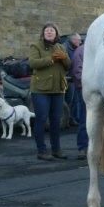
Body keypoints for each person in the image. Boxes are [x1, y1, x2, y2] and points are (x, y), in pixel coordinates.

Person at [29, 23, 71, 160]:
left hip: (58, 89)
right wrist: (51, 59)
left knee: (56, 121)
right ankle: (41, 151)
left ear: (56, 34)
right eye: (47, 30)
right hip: (40, 89)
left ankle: (56, 150)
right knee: (41, 119)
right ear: (43, 33)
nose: (49, 32)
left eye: (52, 30)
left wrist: (64, 58)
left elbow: (68, 66)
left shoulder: (61, 47)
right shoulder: (36, 46)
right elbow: (33, 63)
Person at [70, 35, 88, 159]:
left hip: (93, 90)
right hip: (84, 90)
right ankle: (83, 147)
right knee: (84, 119)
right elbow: (77, 71)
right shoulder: (81, 50)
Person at [64, 33, 82, 125]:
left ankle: (72, 118)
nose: (80, 42)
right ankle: (69, 120)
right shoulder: (65, 48)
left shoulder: (73, 48)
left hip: (72, 78)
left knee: (74, 100)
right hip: (68, 78)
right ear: (73, 40)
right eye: (79, 40)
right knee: (70, 100)